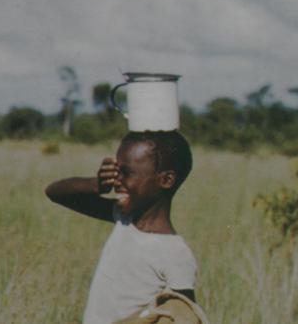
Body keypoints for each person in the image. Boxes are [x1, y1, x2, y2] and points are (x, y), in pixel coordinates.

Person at [44, 131, 206, 324]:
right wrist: (98, 185)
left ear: (166, 180)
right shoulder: (124, 218)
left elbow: (184, 315)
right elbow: (55, 193)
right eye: (115, 171)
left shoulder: (175, 254)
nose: (116, 181)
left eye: (126, 173)